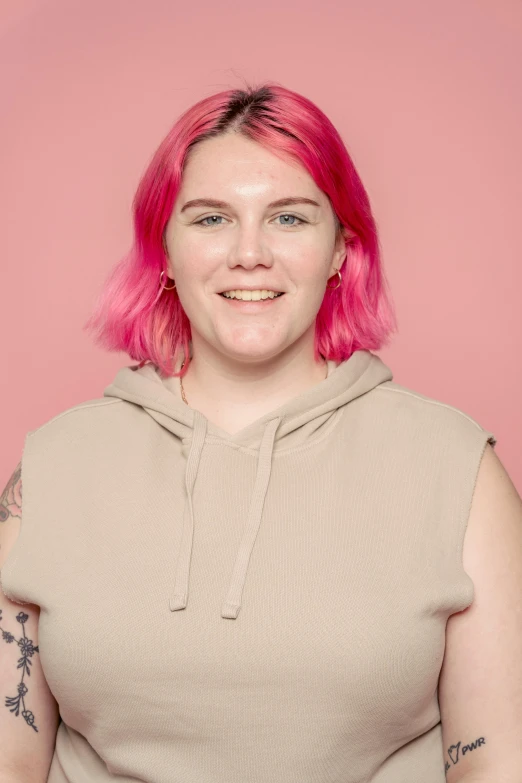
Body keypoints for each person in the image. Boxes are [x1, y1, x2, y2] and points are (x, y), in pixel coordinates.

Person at [0, 81, 521, 783]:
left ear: (342, 248)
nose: (250, 253)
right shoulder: (52, 473)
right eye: (211, 219)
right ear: (165, 250)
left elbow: (497, 764)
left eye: (289, 218)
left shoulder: (458, 474)